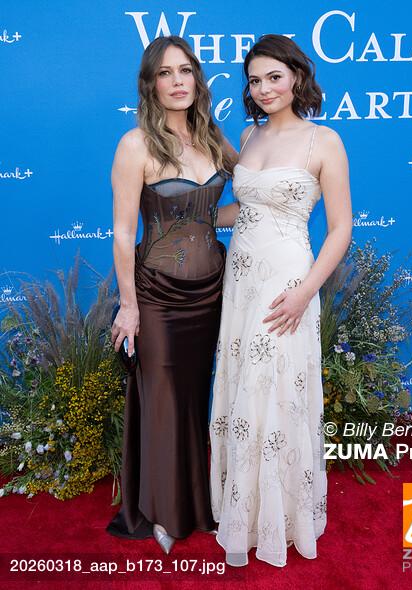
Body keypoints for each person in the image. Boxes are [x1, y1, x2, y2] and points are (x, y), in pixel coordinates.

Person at [209, 34, 352, 567]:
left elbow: (340, 229)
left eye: (274, 77)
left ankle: (282, 517)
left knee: (276, 389)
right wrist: (190, 215)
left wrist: (305, 292)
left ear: (296, 77)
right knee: (244, 386)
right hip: (242, 282)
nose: (264, 88)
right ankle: (243, 512)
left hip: (288, 284)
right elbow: (244, 211)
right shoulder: (248, 136)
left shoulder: (324, 141)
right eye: (254, 80)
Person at [106, 35, 236, 554]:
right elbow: (122, 233)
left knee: (193, 397)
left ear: (197, 79)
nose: (177, 81)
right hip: (157, 294)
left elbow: (232, 202)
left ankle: (196, 502)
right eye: (165, 73)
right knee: (162, 398)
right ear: (150, 84)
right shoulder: (135, 145)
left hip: (210, 290)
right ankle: (159, 510)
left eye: (185, 70)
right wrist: (129, 306)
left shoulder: (213, 137)